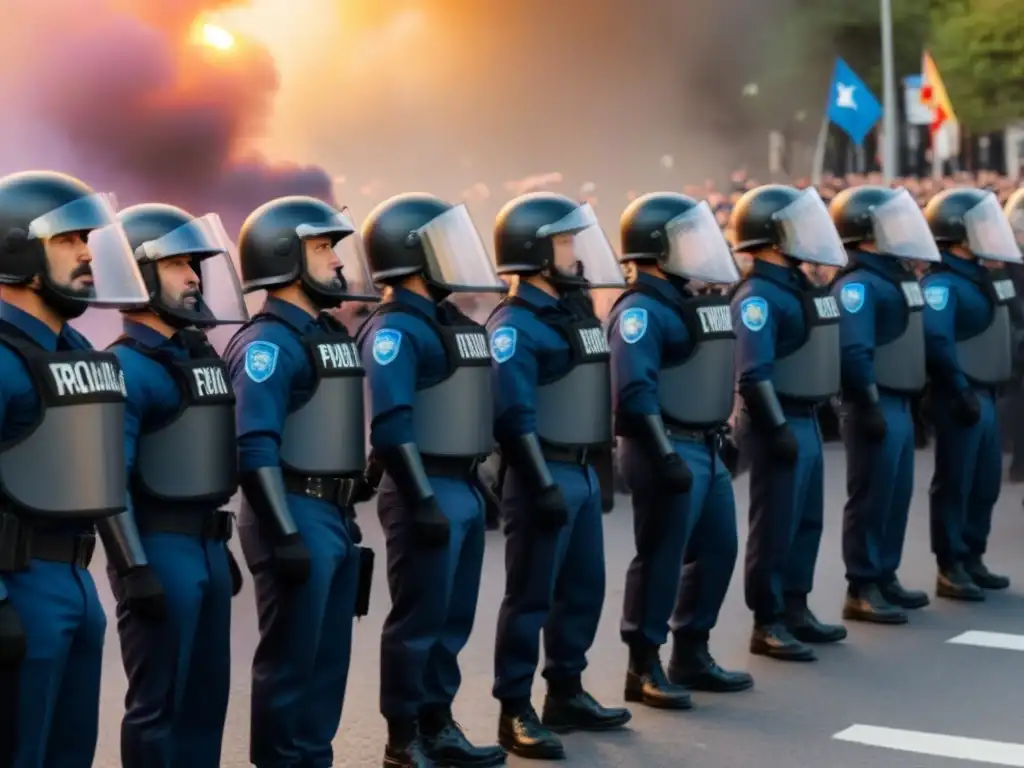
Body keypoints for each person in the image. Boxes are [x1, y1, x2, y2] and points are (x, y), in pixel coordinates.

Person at [0, 170, 154, 766]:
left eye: (87, 237)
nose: (87, 252)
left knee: (70, 752)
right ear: (17, 249)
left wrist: (131, 566)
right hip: (17, 583)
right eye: (67, 239)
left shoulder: (79, 354)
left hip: (76, 582)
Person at [224, 196, 379, 768]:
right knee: (291, 663)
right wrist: (284, 532)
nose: (336, 261)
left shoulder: (323, 334)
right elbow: (253, 446)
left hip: (330, 513)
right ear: (283, 257)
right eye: (321, 248)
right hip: (291, 509)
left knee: (327, 661)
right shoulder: (267, 344)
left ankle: (314, 758)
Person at [356, 193, 507, 768]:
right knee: (418, 621)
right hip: (421, 484)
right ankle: (403, 737)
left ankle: (438, 723)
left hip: (459, 483)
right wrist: (421, 499)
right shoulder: (395, 329)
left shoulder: (447, 322)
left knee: (452, 619)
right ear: (412, 254)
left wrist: (477, 484)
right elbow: (392, 424)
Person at [487, 193, 631, 761]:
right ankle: (514, 709)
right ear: (534, 250)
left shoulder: (572, 313)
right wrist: (540, 480)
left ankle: (566, 691)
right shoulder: (514, 325)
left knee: (582, 589)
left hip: (580, 469)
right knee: (531, 597)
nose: (575, 252)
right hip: (540, 472)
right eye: (564, 241)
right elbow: (512, 415)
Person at [106, 203, 249, 767]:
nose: (194, 277)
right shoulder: (126, 368)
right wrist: (134, 569)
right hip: (157, 546)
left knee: (205, 699)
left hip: (205, 544)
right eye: (177, 264)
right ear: (137, 273)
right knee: (159, 703)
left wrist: (215, 543)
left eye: (194, 263)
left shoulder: (195, 355)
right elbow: (109, 482)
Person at [610, 192, 754, 704]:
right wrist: (663, 454)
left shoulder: (680, 302)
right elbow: (634, 391)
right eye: (684, 238)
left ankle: (691, 651)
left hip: (702, 444)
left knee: (717, 549)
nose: (695, 247)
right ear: (656, 246)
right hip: (664, 444)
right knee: (661, 556)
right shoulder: (640, 310)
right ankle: (643, 664)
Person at [729, 184, 849, 662]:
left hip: (805, 416)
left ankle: (796, 607)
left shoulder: (794, 286)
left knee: (806, 521)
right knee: (775, 525)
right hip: (777, 418)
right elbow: (753, 374)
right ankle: (768, 620)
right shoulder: (758, 296)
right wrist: (777, 428)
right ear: (772, 235)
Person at [828, 186, 937, 624]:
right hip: (874, 401)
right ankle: (862, 585)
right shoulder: (857, 284)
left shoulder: (891, 276)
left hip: (899, 401)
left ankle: (885, 574)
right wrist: (869, 403)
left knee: (895, 493)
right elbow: (855, 352)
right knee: (871, 496)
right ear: (867, 229)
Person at [921, 187, 1022, 600]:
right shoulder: (942, 283)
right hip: (958, 394)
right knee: (955, 481)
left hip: (987, 392)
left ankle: (972, 555)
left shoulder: (984, 278)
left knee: (985, 481)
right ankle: (950, 564)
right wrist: (959, 388)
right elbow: (937, 341)